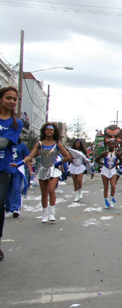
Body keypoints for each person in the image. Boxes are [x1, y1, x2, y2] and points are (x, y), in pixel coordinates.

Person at [23, 122, 72, 223]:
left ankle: (52, 213)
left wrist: (58, 163)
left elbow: (67, 156)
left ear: (54, 132)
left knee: (51, 190)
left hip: (53, 169)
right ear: (44, 131)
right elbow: (31, 155)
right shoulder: (39, 143)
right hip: (42, 169)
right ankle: (45, 213)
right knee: (44, 193)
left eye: (51, 130)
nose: (49, 131)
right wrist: (21, 162)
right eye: (47, 129)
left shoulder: (57, 144)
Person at [0, 88, 24, 245]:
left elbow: (3, 143)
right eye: (8, 98)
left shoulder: (16, 123)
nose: (12, 101)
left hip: (2, 169)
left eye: (14, 99)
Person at [7, 140, 31, 218]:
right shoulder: (6, 144)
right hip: (6, 169)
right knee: (7, 189)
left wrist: (30, 170)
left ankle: (15, 208)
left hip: (18, 169)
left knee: (16, 188)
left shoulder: (22, 146)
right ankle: (8, 208)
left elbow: (27, 158)